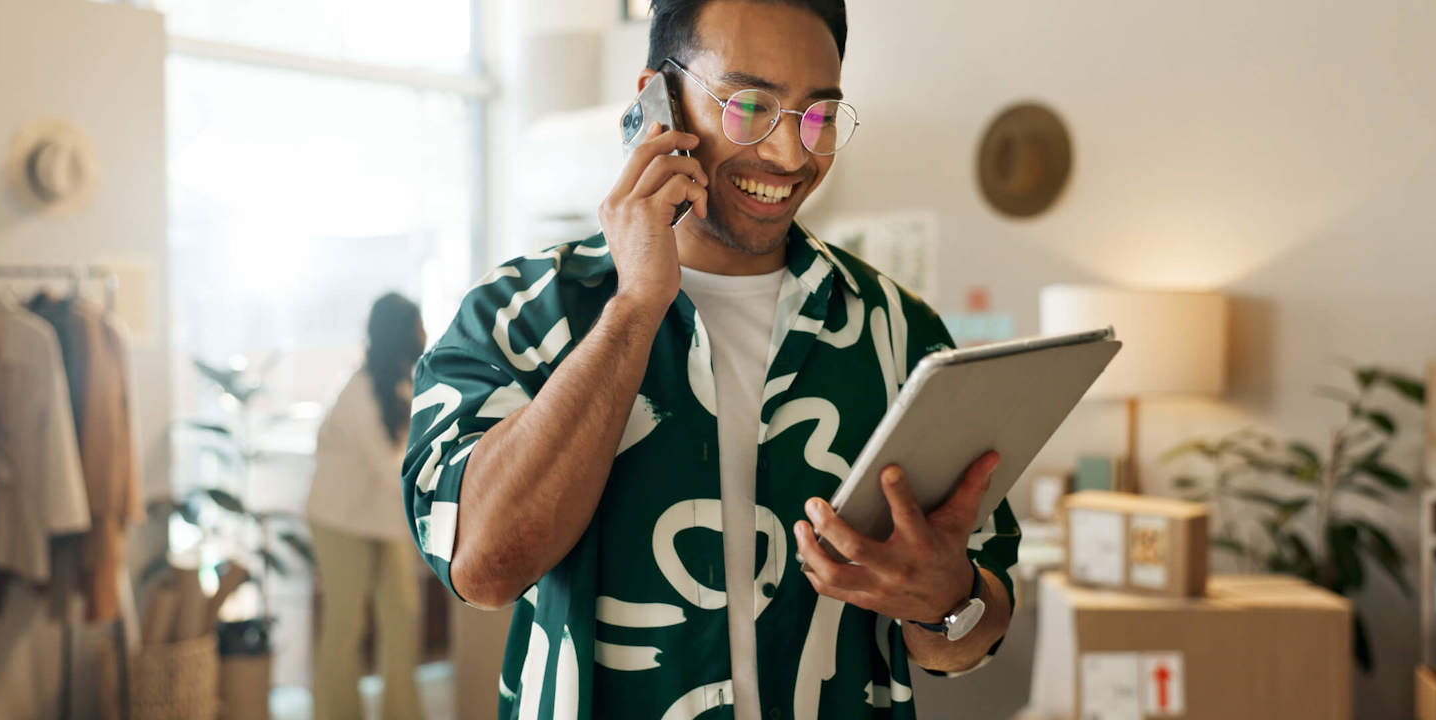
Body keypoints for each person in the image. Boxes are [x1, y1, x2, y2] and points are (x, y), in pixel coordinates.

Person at [402, 0, 1020, 716]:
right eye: (749, 105)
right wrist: (634, 308)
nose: (791, 157)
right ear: (656, 101)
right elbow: (481, 568)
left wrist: (948, 601)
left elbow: (974, 632)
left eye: (818, 115)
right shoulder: (520, 312)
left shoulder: (899, 333)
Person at [308, 293, 427, 720]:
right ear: (399, 333)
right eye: (418, 326)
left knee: (404, 619)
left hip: (384, 521)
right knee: (346, 628)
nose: (425, 335)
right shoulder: (358, 391)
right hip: (340, 520)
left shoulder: (406, 384)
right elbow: (393, 467)